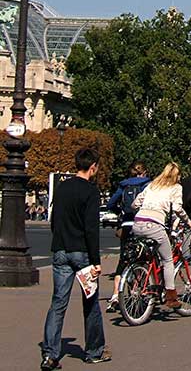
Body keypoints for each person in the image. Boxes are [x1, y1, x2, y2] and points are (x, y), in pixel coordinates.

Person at [41, 147, 111, 369]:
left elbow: (55, 219)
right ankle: (94, 351)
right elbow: (91, 229)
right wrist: (96, 260)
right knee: (90, 303)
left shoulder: (62, 188)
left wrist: (59, 242)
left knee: (58, 303)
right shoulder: (91, 191)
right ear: (93, 167)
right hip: (82, 253)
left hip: (61, 249)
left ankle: (50, 355)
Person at [131, 162, 191, 310]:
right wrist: (189, 222)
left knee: (149, 256)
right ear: (177, 175)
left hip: (138, 223)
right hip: (154, 225)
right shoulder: (176, 187)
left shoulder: (152, 185)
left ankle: (147, 279)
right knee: (167, 260)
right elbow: (178, 208)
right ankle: (171, 297)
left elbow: (135, 204)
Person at [105, 160, 151, 312]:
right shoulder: (147, 185)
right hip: (143, 224)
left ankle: (115, 295)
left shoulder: (123, 185)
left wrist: (121, 214)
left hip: (126, 224)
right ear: (144, 172)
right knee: (144, 258)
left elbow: (110, 204)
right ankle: (140, 289)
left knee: (123, 259)